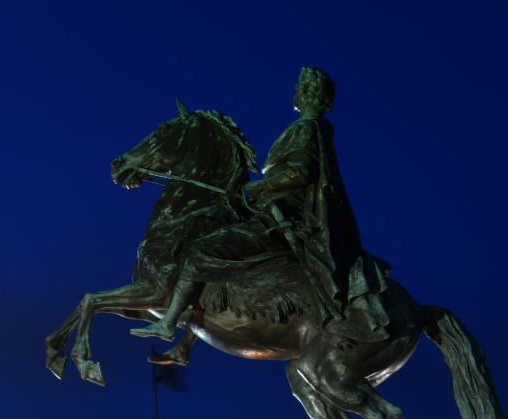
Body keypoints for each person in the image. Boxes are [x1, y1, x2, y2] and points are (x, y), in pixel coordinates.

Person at [135, 66, 390, 362]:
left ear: (306, 95)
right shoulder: (315, 129)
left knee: (201, 249)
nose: (296, 91)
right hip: (279, 211)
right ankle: (187, 343)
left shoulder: (305, 128)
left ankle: (169, 323)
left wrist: (258, 188)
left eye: (300, 87)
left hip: (283, 216)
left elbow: (300, 172)